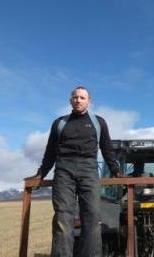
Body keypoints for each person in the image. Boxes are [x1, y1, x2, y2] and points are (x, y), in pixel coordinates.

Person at [27, 86, 124, 257]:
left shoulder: (98, 122)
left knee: (92, 216)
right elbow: (50, 152)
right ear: (70, 100)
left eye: (82, 97)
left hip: (89, 170)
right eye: (75, 97)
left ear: (89, 101)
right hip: (64, 170)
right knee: (63, 217)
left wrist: (115, 170)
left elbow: (107, 149)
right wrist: (41, 173)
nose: (78, 100)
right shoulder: (60, 123)